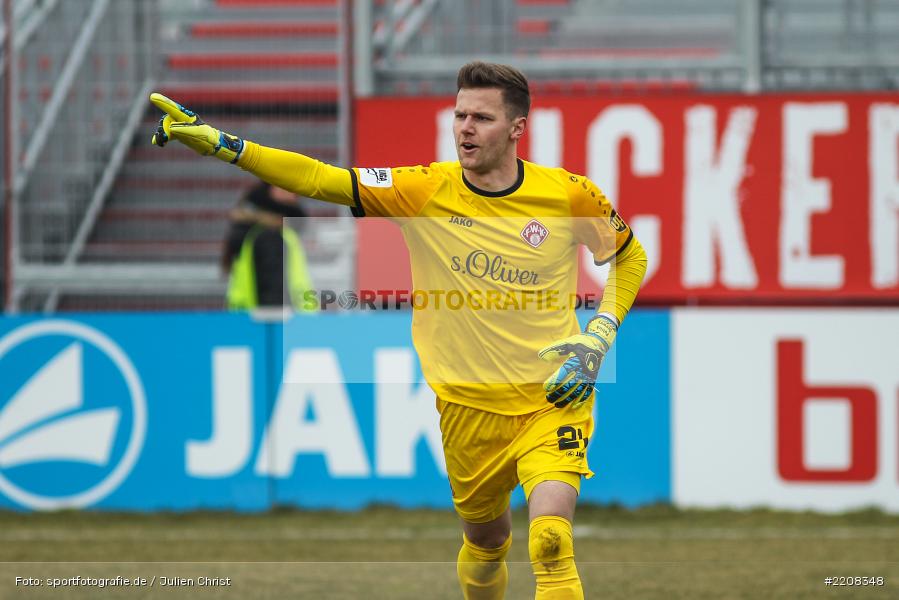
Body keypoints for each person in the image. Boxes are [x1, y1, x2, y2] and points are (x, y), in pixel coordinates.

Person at [150, 61, 647, 600]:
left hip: (553, 395)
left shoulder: (570, 195)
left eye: (481, 117)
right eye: (459, 115)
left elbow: (629, 258)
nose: (465, 128)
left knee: (549, 539)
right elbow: (324, 180)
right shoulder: (424, 190)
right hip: (468, 408)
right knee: (486, 546)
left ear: (517, 128)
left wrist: (599, 336)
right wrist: (226, 146)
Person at [221, 181, 315, 311]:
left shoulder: (255, 231)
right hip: (275, 326)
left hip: (248, 322)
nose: (295, 194)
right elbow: (273, 296)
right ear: (273, 190)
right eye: (288, 187)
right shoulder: (270, 235)